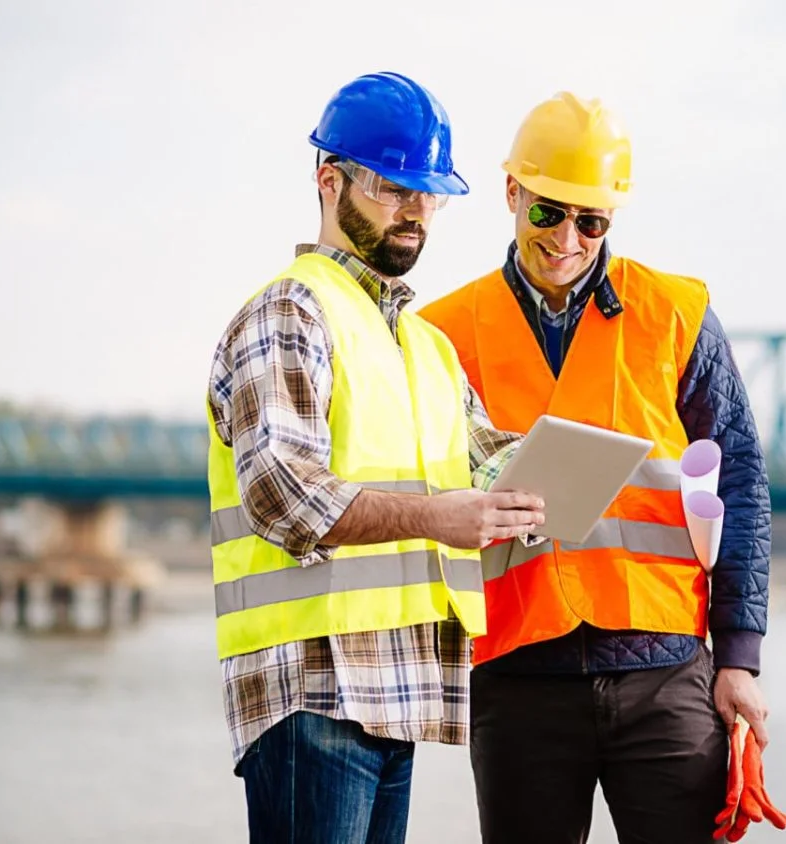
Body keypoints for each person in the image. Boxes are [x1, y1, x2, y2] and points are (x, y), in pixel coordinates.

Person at [419, 91, 774, 844]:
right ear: (512, 192)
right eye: (548, 212)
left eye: (592, 222)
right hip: (518, 678)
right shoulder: (442, 335)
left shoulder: (675, 314)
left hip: (666, 671)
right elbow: (418, 498)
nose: (568, 239)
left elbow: (740, 479)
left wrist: (738, 657)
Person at [205, 71, 545, 844]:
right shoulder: (290, 312)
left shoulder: (426, 347)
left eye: (428, 194)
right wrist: (441, 518)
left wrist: (562, 477)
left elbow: (488, 466)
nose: (417, 211)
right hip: (312, 690)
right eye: (395, 188)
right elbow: (283, 494)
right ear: (330, 182)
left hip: (397, 691)